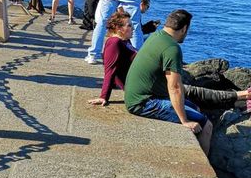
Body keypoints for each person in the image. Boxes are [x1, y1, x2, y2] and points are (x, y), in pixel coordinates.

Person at [89, 8, 251, 114]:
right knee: (190, 91)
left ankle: (237, 100)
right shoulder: (114, 43)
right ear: (119, 29)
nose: (133, 28)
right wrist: (104, 96)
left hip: (154, 79)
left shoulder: (124, 41)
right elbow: (109, 71)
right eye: (129, 26)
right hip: (145, 88)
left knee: (193, 90)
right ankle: (241, 96)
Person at [124, 10, 212, 153]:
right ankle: (203, 167)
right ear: (184, 29)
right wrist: (184, 121)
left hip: (136, 96)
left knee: (195, 108)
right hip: (144, 103)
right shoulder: (172, 48)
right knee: (206, 125)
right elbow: (175, 87)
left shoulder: (156, 36)